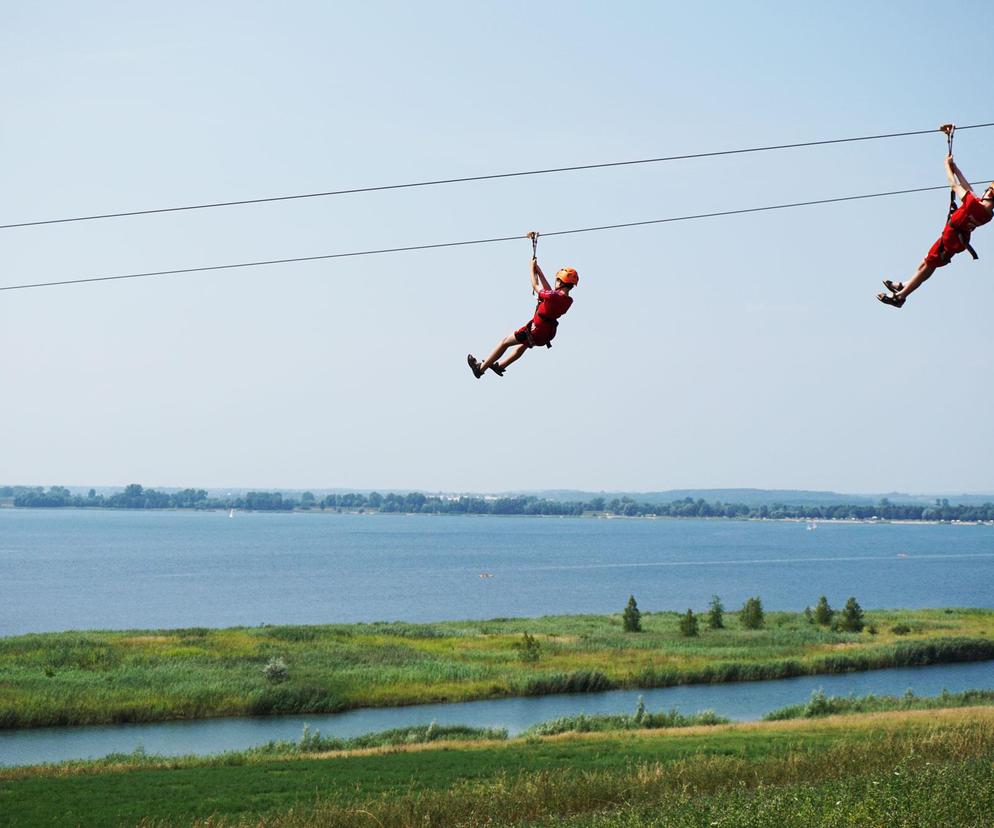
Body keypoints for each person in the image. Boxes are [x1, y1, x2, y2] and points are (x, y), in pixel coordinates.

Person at [878, 128, 994, 308]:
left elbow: (954, 185)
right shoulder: (987, 214)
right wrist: (956, 167)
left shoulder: (973, 204)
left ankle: (900, 296)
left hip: (951, 238)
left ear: (990, 193)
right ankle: (905, 285)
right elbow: (968, 188)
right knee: (926, 261)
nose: (984, 190)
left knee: (928, 266)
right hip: (954, 238)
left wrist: (946, 167)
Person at [467, 247, 579, 378]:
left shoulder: (554, 297)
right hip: (546, 333)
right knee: (524, 345)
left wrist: (531, 270)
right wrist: (540, 272)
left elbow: (536, 287)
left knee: (505, 342)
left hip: (536, 330)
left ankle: (480, 369)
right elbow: (549, 292)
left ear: (561, 281)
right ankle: (501, 366)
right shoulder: (567, 300)